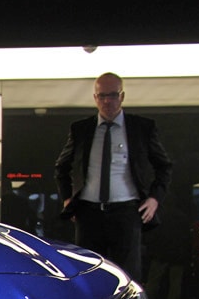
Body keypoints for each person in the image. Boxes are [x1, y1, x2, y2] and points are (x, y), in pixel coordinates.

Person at [55, 72, 173, 281]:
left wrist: (155, 198)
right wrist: (67, 198)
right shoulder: (81, 129)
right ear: (95, 98)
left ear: (122, 96)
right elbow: (61, 167)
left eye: (112, 95)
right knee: (87, 273)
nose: (107, 101)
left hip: (126, 211)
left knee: (128, 275)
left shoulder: (141, 128)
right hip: (88, 212)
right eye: (102, 96)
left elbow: (164, 166)